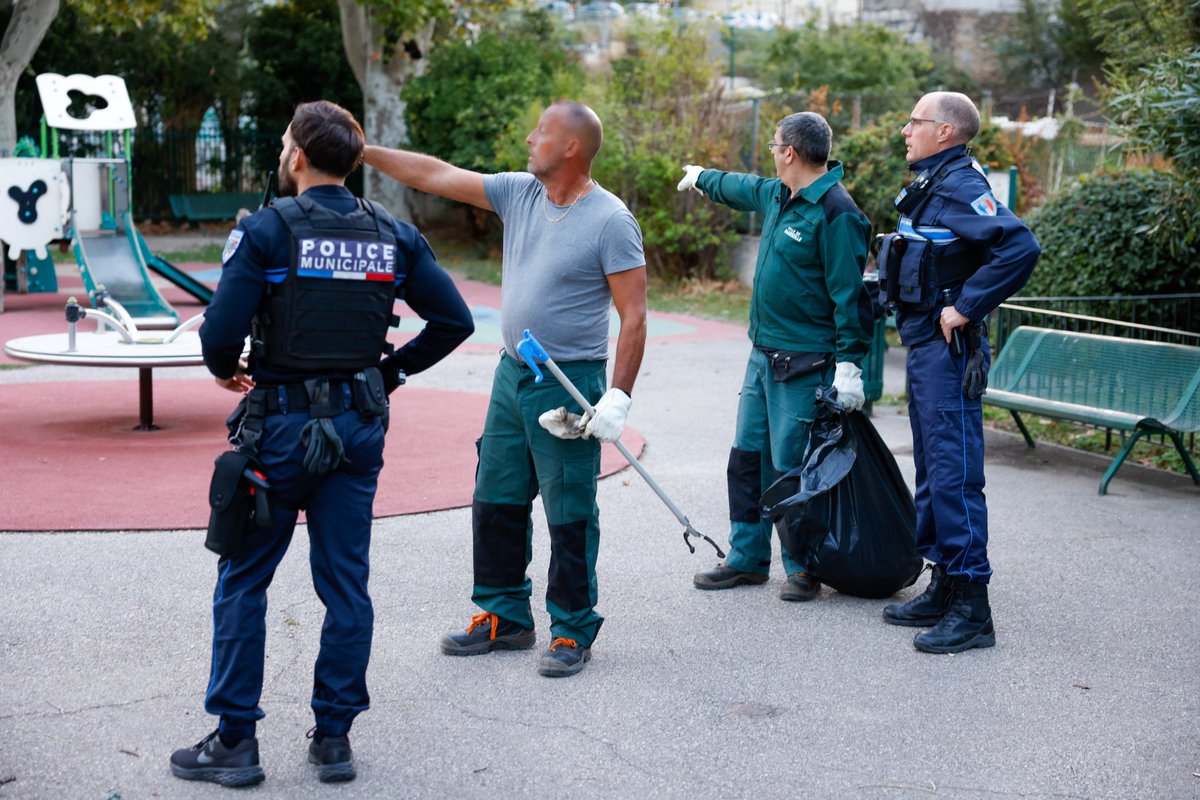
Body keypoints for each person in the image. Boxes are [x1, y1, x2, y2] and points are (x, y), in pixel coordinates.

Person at [170, 100, 474, 786]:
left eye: (285, 144)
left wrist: (227, 371)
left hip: (277, 432)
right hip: (357, 433)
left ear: (298, 156)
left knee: (244, 579)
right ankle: (333, 739)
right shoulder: (392, 235)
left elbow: (219, 334)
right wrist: (387, 372)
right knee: (346, 586)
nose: (284, 152)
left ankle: (235, 743)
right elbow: (453, 320)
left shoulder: (268, 231)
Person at [364, 100, 647, 678]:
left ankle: (571, 629)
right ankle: (503, 616)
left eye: (540, 132)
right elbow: (436, 175)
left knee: (569, 510)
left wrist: (616, 397)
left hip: (569, 382)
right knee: (495, 495)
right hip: (513, 371)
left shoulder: (612, 220)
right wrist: (361, 150)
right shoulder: (520, 193)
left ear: (571, 147)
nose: (527, 138)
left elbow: (634, 316)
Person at [678, 111, 874, 602]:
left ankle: (804, 565)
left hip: (805, 363)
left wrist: (850, 366)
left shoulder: (836, 211)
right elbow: (742, 187)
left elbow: (850, 296)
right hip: (762, 355)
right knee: (747, 458)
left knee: (791, 465)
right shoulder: (780, 195)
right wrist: (704, 178)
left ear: (789, 152)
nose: (771, 151)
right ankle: (746, 558)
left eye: (773, 145)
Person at [877, 91, 1039, 653]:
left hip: (949, 352)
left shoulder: (962, 186)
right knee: (931, 470)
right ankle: (945, 584)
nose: (905, 130)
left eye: (915, 122)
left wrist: (967, 305)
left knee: (954, 475)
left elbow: (1019, 246)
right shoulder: (930, 182)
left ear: (945, 131)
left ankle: (973, 609)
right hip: (924, 348)